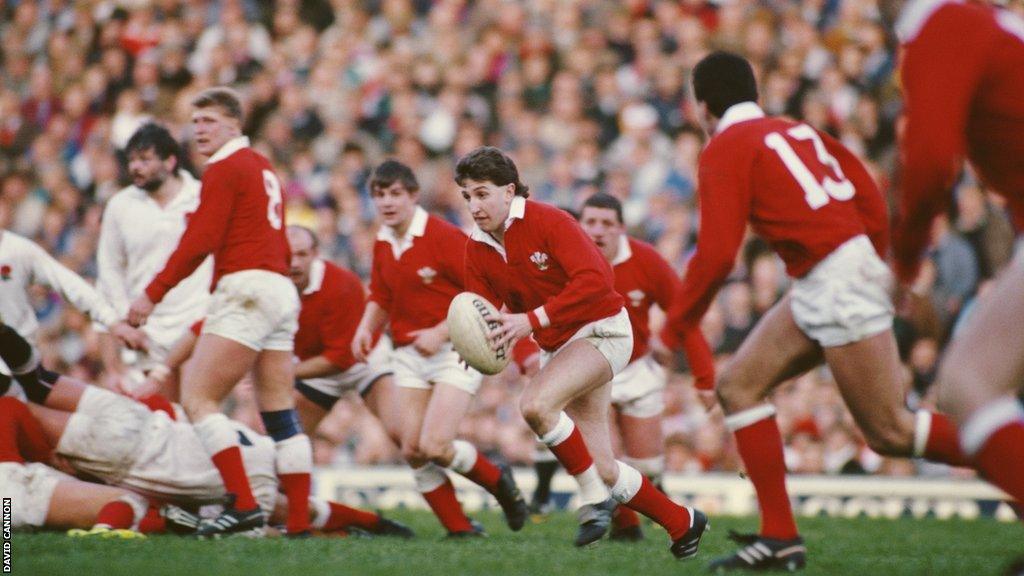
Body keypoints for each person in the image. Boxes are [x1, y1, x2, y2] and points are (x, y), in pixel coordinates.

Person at [653, 51, 973, 571]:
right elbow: (868, 192)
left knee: (890, 430)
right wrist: (873, 259)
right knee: (739, 387)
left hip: (834, 279)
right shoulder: (796, 130)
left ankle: (1009, 456)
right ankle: (780, 538)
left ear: (702, 107)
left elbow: (714, 257)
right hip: (831, 272)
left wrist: (673, 332)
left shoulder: (724, 148)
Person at [458, 146, 708, 558]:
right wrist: (472, 342)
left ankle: (592, 498)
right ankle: (682, 523)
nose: (474, 205)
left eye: (482, 193)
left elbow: (597, 279)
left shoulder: (549, 220)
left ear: (508, 191)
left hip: (604, 330)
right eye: (467, 196)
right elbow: (478, 307)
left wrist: (531, 320)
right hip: (560, 346)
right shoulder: (477, 245)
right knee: (605, 466)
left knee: (537, 406)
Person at [126, 87, 311, 537]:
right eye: (195, 122)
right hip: (279, 289)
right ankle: (300, 524)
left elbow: (201, 240)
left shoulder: (225, 167)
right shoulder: (264, 166)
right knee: (279, 411)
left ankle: (243, 504)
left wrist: (153, 293)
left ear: (234, 124)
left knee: (197, 396)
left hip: (246, 286)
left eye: (208, 121)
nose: (198, 130)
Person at [891, 0, 1024, 507]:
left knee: (969, 385)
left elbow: (928, 163)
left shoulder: (943, 23)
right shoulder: (968, 20)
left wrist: (904, 263)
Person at [352, 160, 527, 537]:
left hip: (454, 351)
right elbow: (381, 294)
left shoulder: (443, 236)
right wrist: (366, 328)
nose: (387, 202)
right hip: (407, 354)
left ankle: (498, 480)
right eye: (379, 195)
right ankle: (460, 528)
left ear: (414, 195)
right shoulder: (383, 240)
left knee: (435, 444)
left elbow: (483, 292)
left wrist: (440, 331)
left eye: (395, 193)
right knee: (413, 449)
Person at [95, 122, 211, 394]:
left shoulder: (201, 197)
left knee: (199, 408)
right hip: (150, 330)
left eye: (145, 159)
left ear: (170, 162)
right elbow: (110, 269)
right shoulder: (120, 205)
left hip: (198, 318)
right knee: (167, 416)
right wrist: (126, 319)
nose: (135, 167)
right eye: (132, 160)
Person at [0, 228, 146, 388]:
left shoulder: (18, 250)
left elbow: (71, 284)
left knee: (110, 406)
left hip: (25, 372)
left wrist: (111, 320)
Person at [0, 394, 150, 536]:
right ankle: (105, 531)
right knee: (131, 499)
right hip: (11, 489)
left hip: (11, 492)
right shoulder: (8, 404)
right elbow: (44, 456)